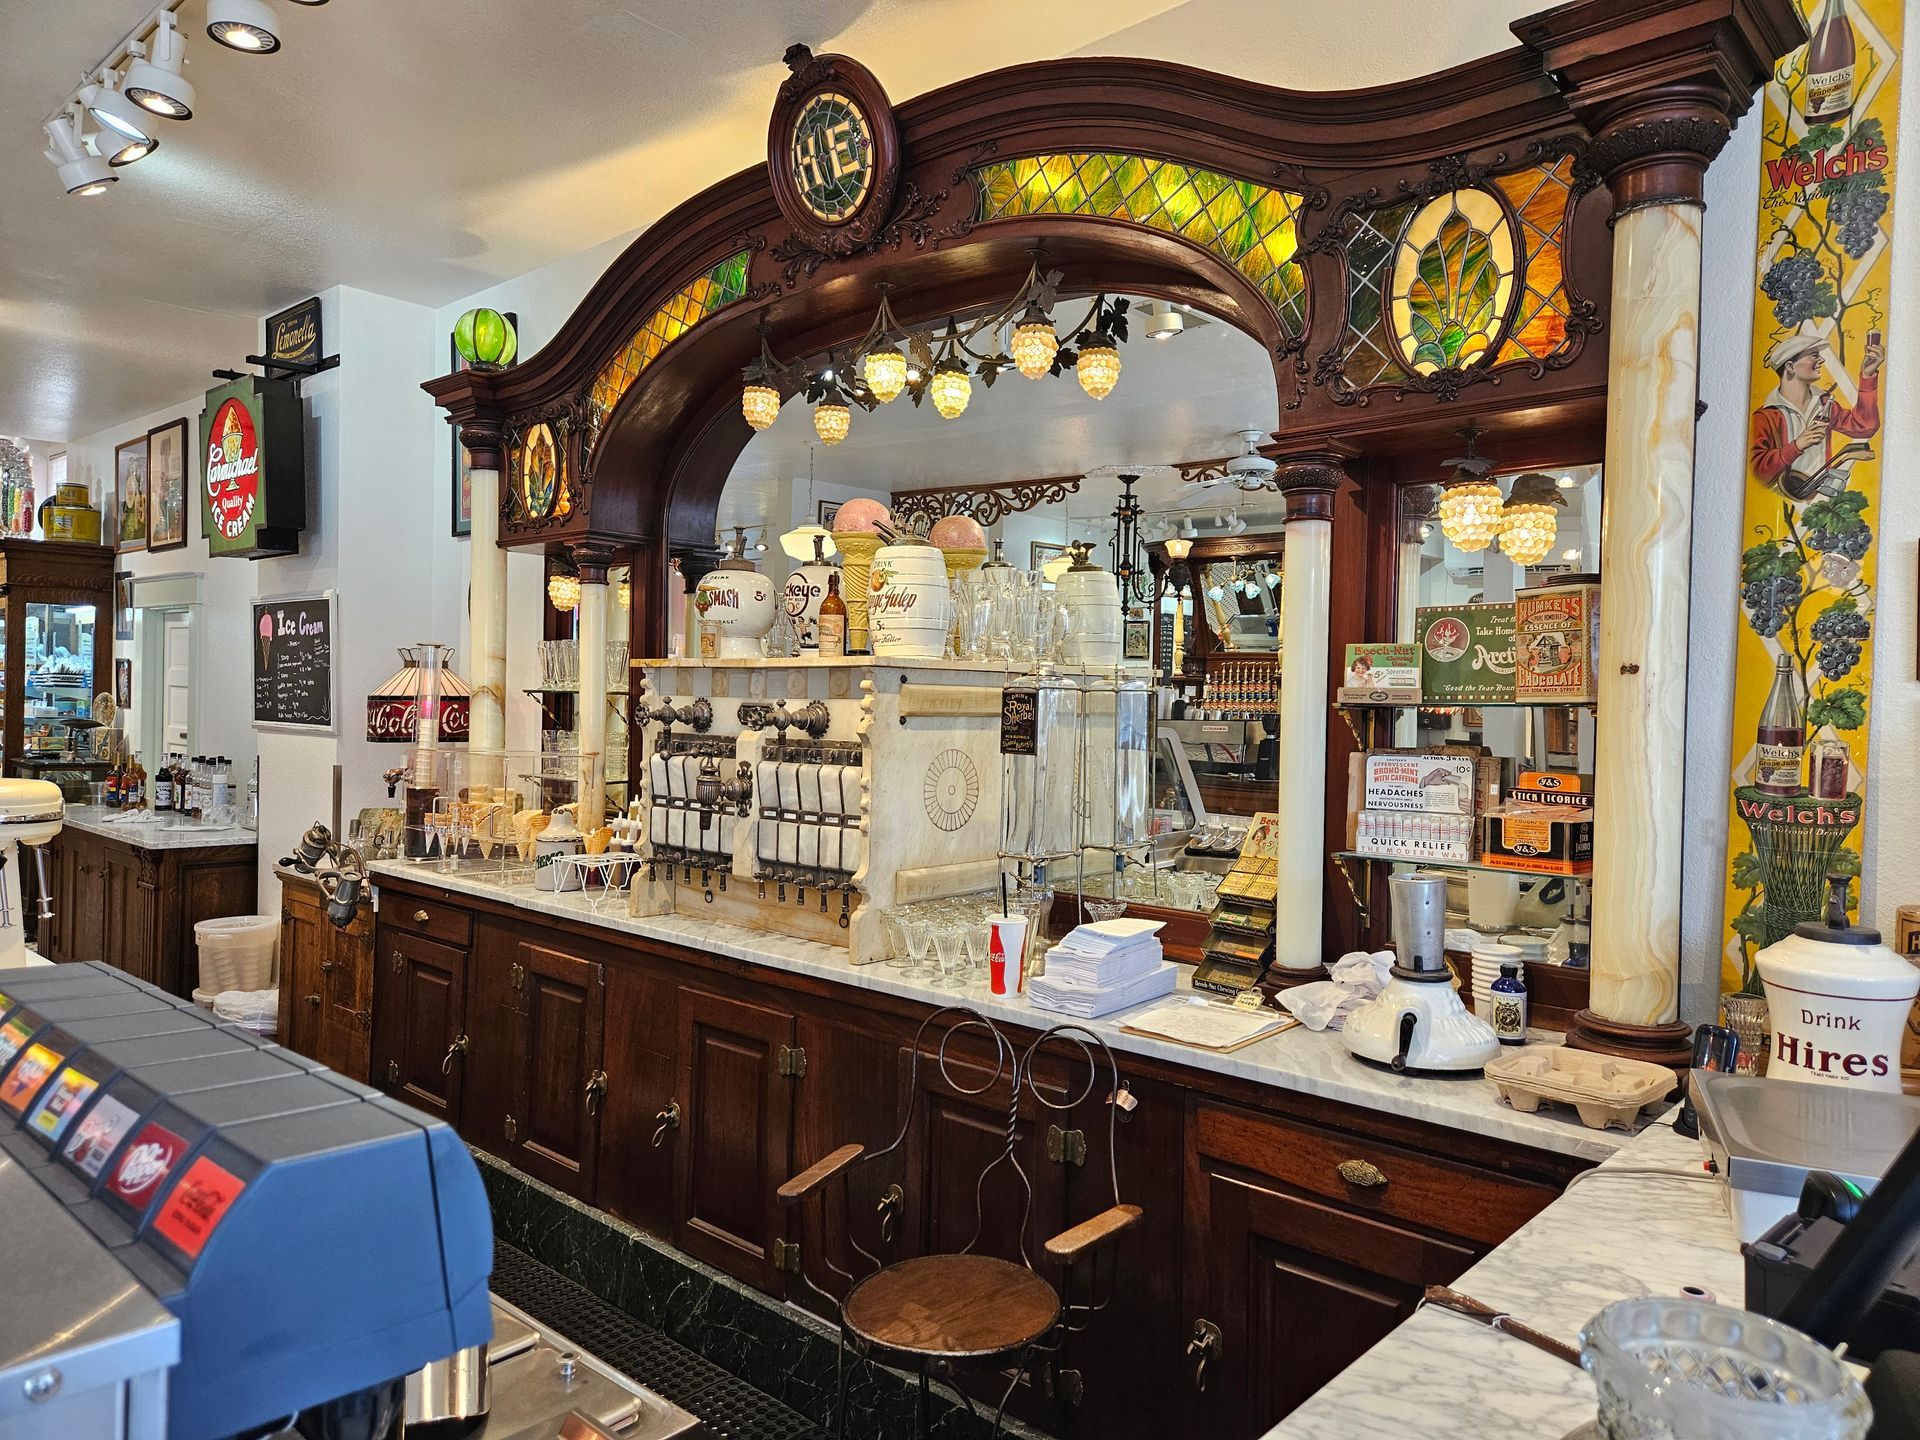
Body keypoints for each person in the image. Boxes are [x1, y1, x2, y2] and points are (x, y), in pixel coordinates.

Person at [1750, 331, 1884, 500]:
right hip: (1782, 501)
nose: (1821, 360)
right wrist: (1797, 445)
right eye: (1814, 356)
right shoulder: (1765, 416)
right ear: (1790, 367)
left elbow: (1865, 426)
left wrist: (1867, 376)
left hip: (1821, 498)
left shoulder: (1824, 403)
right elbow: (1757, 472)